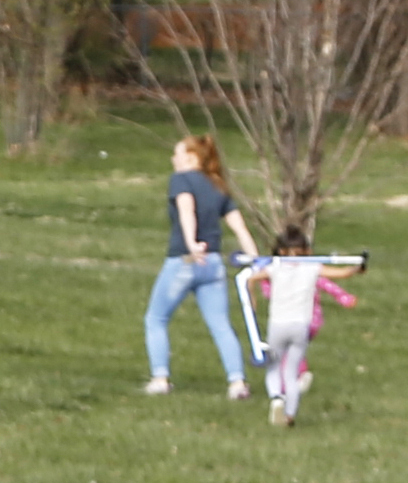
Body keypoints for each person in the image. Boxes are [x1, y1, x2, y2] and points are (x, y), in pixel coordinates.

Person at [143, 134, 258, 398]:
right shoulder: (217, 185)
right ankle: (237, 383)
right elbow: (238, 225)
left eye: (178, 153)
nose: (173, 159)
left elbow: (186, 209)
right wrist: (254, 256)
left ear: (192, 158)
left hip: (185, 260)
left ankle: (160, 378)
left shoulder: (180, 180)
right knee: (220, 324)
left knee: (156, 318)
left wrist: (192, 243)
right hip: (214, 264)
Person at [235, 230, 363, 427]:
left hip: (277, 325)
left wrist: (252, 299)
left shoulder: (274, 268)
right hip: (301, 327)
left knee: (274, 367)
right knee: (291, 371)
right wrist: (358, 267)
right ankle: (290, 415)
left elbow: (250, 279)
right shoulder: (312, 268)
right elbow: (343, 273)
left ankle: (277, 397)